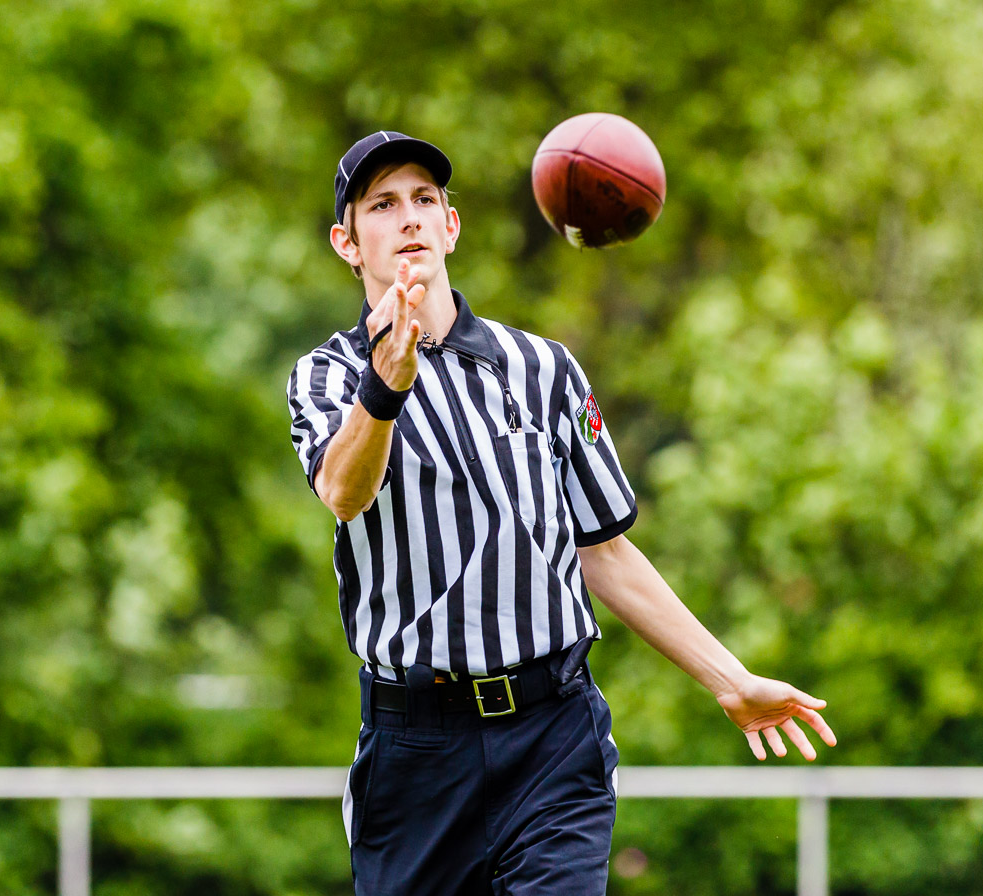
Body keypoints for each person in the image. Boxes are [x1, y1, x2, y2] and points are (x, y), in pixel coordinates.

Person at [286, 131, 836, 895]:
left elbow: (602, 550)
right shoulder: (328, 375)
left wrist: (728, 678)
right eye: (382, 205)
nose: (407, 218)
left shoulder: (541, 367)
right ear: (348, 243)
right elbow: (344, 492)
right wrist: (387, 383)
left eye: (423, 200)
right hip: (416, 749)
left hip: (552, 734)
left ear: (452, 225)